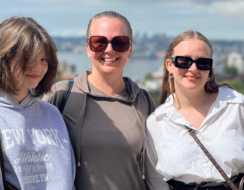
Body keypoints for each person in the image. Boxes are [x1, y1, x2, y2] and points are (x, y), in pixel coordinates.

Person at [43, 11, 155, 190]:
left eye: (120, 42)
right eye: (99, 42)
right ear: (88, 48)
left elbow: (155, 169)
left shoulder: (143, 101)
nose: (109, 50)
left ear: (130, 49)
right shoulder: (62, 94)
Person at [146, 30, 244, 190]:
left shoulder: (236, 106)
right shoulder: (157, 122)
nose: (193, 68)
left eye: (202, 63)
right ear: (169, 65)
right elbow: (156, 182)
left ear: (209, 68)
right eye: (184, 61)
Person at [0, 16, 75, 190]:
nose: (38, 68)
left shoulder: (52, 113)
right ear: (4, 58)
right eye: (28, 58)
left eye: (43, 60)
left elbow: (68, 178)